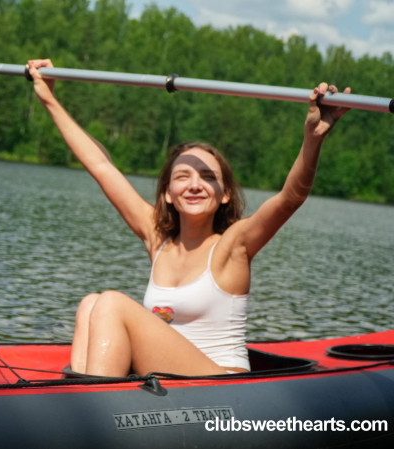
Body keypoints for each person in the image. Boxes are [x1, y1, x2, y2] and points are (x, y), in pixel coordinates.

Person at [27, 59, 350, 377]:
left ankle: (97, 408)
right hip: (170, 378)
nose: (195, 184)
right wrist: (49, 99)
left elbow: (290, 198)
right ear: (168, 192)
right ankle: (85, 404)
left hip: (222, 382)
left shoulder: (232, 246)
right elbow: (101, 166)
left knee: (110, 302)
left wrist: (313, 137)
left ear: (225, 194)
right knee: (91, 303)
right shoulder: (158, 239)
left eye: (208, 176)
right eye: (183, 176)